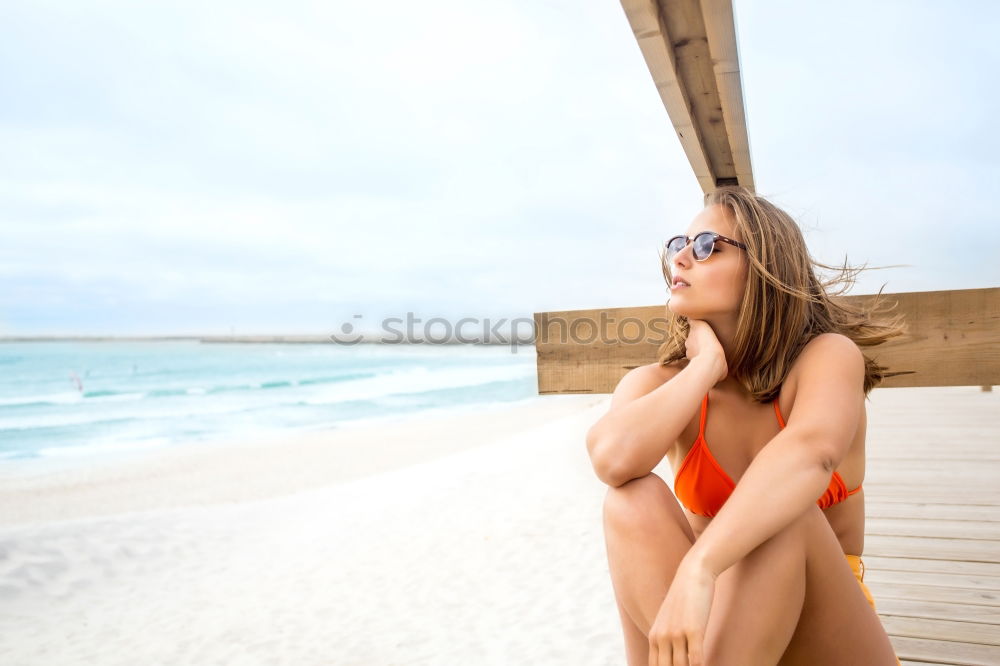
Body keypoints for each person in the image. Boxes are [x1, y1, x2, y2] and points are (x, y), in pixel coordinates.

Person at [586, 187, 907, 665]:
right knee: (629, 500)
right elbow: (611, 461)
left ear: (764, 267)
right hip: (724, 640)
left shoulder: (827, 357)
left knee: (785, 511)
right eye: (679, 244)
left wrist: (701, 566)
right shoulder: (660, 384)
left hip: (824, 640)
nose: (682, 259)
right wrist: (703, 369)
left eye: (706, 245)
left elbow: (808, 456)